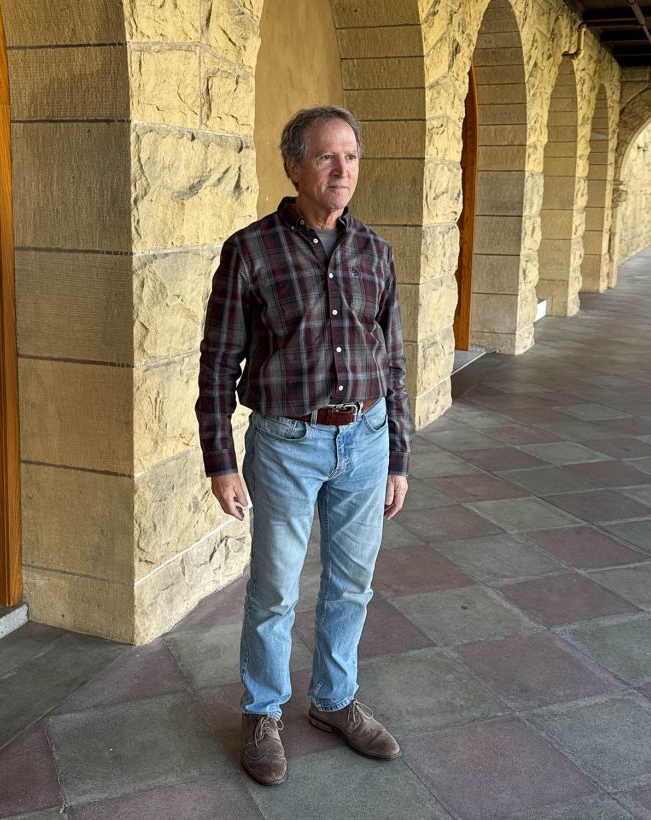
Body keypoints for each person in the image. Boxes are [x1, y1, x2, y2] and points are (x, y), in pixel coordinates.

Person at [197, 105, 411, 787]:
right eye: (326, 156)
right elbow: (217, 362)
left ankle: (334, 700)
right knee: (274, 590)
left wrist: (398, 456)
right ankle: (262, 712)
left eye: (351, 156)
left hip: (367, 440)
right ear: (294, 167)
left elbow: (392, 361)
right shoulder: (250, 251)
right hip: (286, 443)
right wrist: (220, 460)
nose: (342, 170)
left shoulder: (375, 251)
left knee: (351, 585)